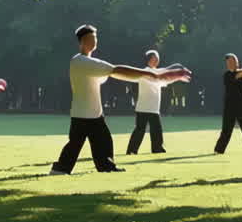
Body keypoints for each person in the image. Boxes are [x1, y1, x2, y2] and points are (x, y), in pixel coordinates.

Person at [50, 25, 191, 175]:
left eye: (95, 38)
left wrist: (165, 74)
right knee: (75, 144)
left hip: (94, 114)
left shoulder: (91, 63)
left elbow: (113, 73)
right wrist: (150, 74)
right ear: (82, 41)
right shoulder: (80, 62)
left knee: (104, 141)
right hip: (82, 114)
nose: (94, 41)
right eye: (91, 39)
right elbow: (117, 70)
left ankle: (106, 167)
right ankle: (59, 169)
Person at [125, 49, 179, 155]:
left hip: (154, 108)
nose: (156, 61)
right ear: (148, 60)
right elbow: (164, 74)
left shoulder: (158, 72)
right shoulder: (144, 72)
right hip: (143, 107)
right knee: (140, 130)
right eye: (154, 59)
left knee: (156, 130)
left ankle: (157, 149)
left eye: (157, 59)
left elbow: (166, 78)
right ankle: (131, 150)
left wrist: (178, 76)